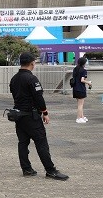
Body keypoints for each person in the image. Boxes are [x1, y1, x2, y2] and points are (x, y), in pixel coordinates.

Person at [9, 52, 68, 180]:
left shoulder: (14, 78)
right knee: (41, 143)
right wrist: (45, 112)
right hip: (32, 116)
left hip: (19, 116)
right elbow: (38, 98)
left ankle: (26, 169)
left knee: (23, 143)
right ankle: (50, 170)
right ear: (32, 63)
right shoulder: (32, 79)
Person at [72, 57, 91, 123]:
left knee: (79, 104)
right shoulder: (83, 70)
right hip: (81, 89)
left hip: (75, 89)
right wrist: (89, 82)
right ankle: (78, 118)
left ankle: (82, 117)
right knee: (81, 105)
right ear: (84, 63)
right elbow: (82, 80)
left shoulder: (75, 69)